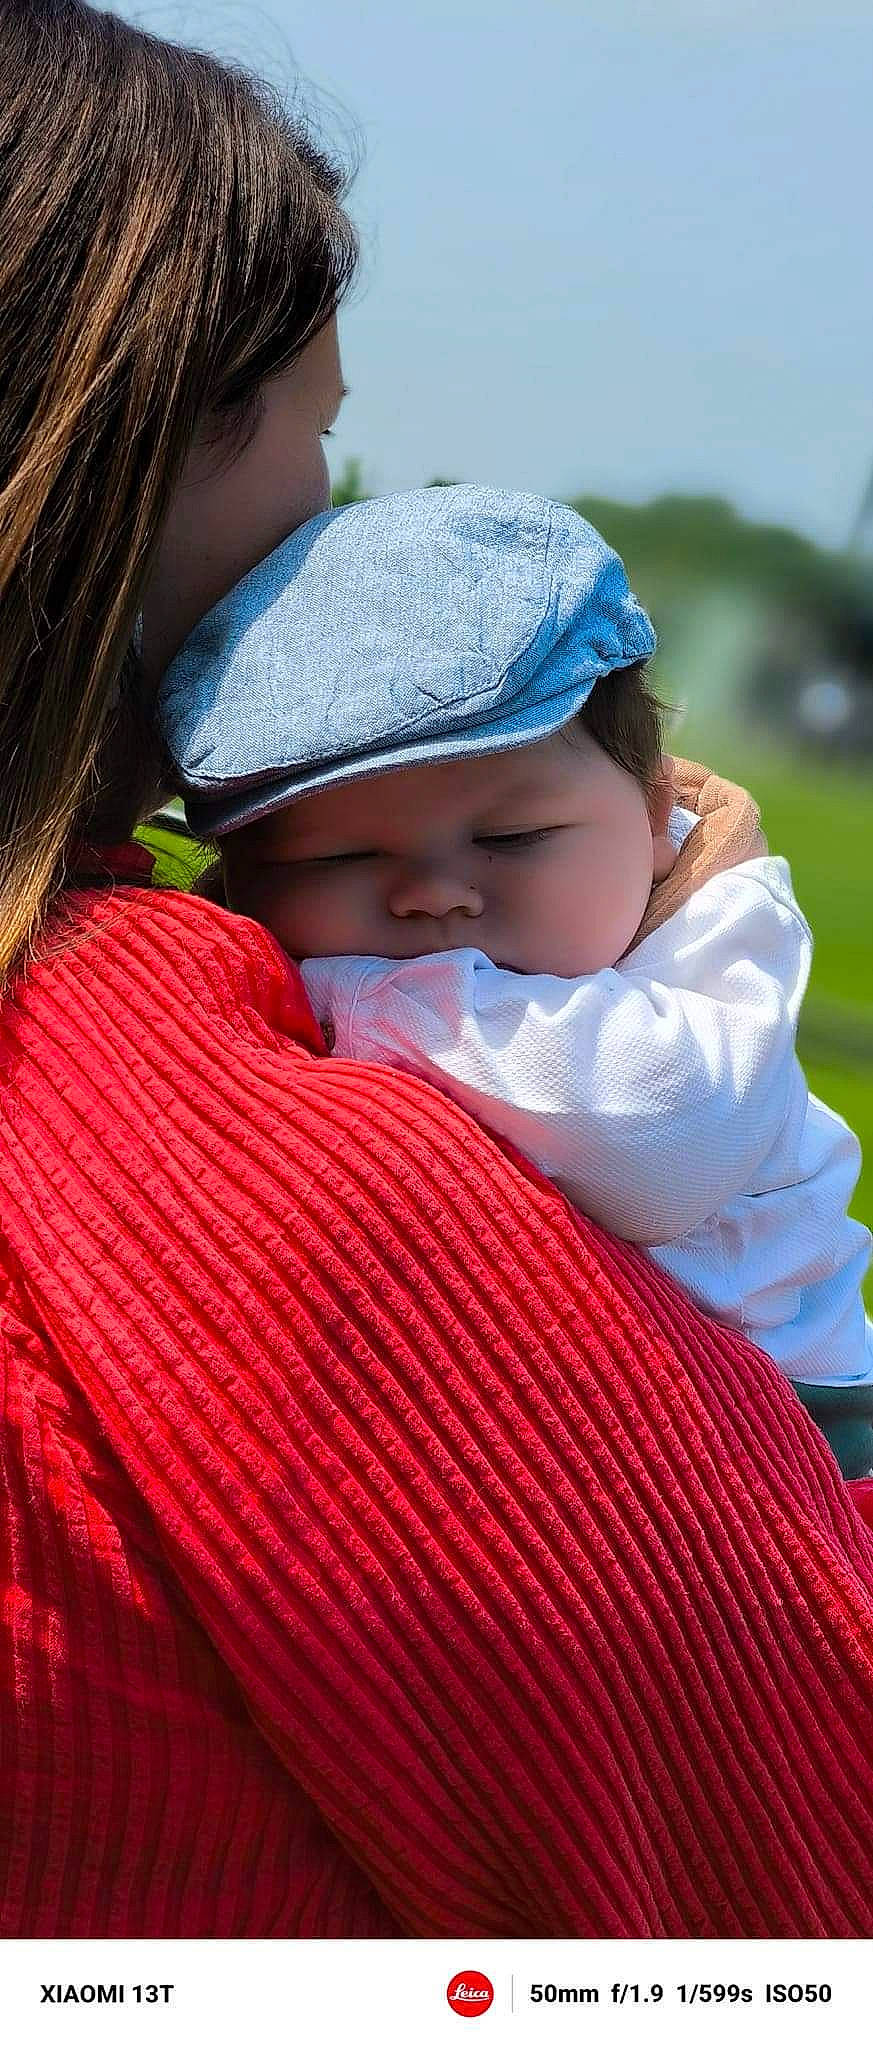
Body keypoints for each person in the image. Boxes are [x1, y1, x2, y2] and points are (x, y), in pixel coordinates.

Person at [4, 0, 873, 1941]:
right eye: (308, 436)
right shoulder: (254, 1163)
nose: (320, 514)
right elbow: (801, 1841)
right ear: (115, 460)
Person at [156, 489, 873, 1471]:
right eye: (336, 857)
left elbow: (652, 1133)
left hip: (793, 1436)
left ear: (654, 808)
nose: (431, 893)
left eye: (511, 838)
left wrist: (347, 990)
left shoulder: (722, 931)